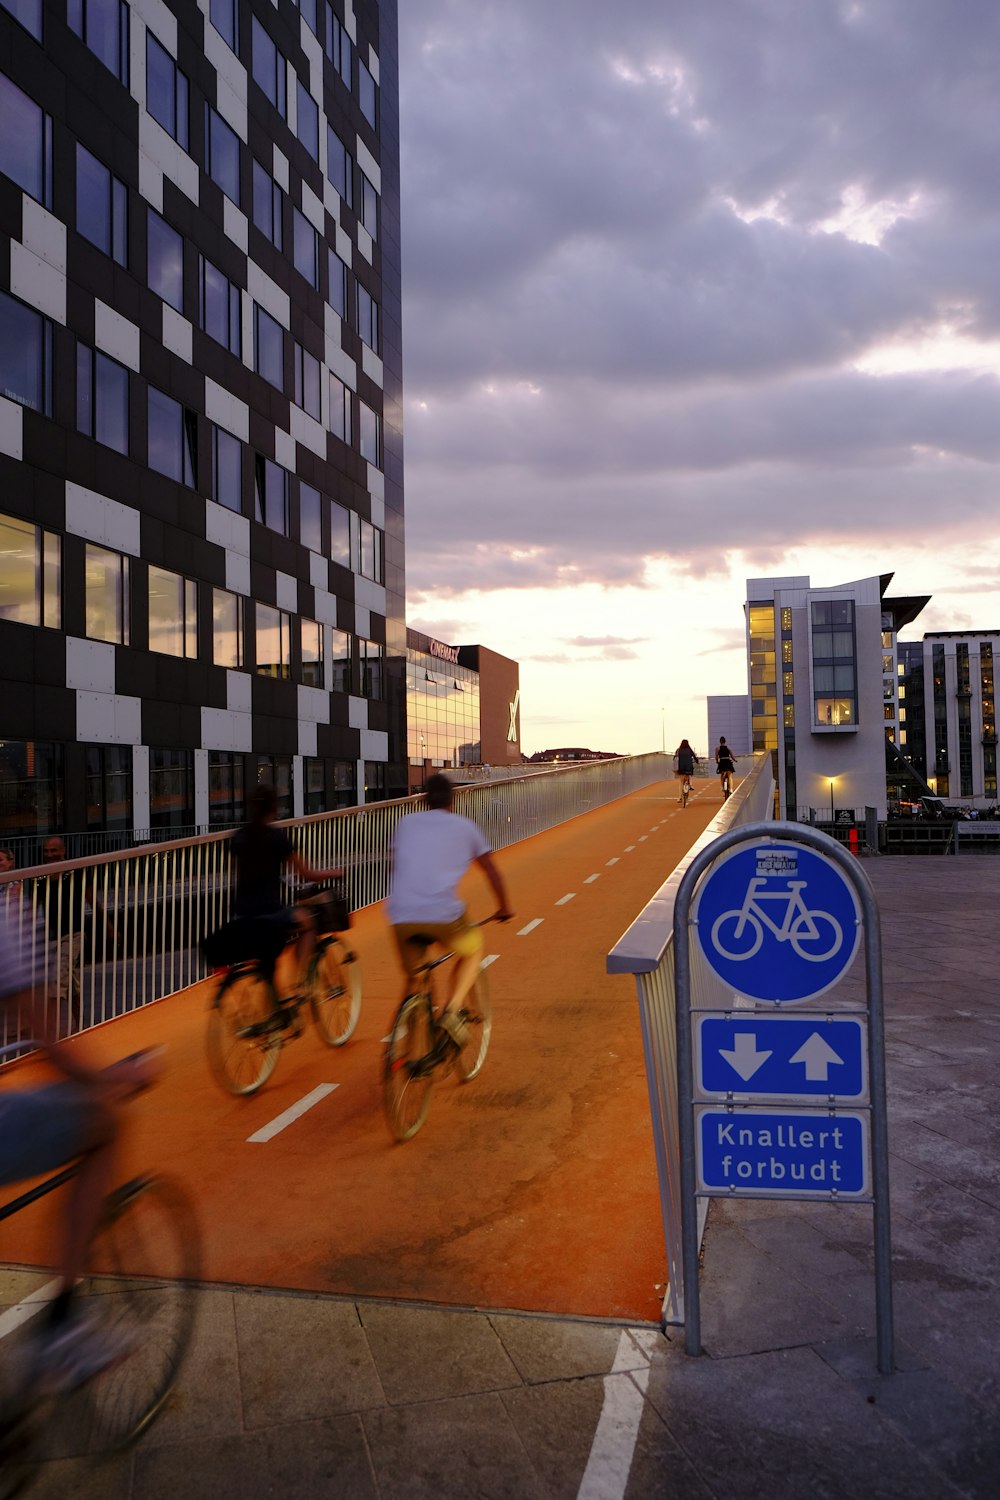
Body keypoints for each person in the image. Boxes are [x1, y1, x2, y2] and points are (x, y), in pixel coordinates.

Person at [0, 901, 153, 1388]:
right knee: (103, 1122)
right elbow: (49, 1043)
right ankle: (62, 1330)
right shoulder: (9, 916)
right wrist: (116, 1074)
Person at [386, 774, 512, 1041]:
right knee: (473, 949)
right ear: (453, 798)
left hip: (400, 914)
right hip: (442, 914)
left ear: (423, 799)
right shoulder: (465, 827)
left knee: (416, 979)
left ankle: (404, 1053)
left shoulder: (405, 823)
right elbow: (492, 872)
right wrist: (504, 907)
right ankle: (453, 1013)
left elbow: (396, 867)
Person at [228, 784, 344, 985]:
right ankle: (301, 982)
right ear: (273, 808)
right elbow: (307, 873)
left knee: (268, 970)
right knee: (307, 923)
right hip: (269, 913)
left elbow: (241, 874)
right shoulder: (277, 838)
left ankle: (272, 1006)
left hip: (243, 914)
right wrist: (335, 872)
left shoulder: (239, 836)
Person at [35, 836, 113, 1028]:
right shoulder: (40, 876)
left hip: (73, 934)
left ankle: (51, 1031)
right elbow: (34, 906)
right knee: (72, 985)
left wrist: (109, 927)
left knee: (58, 978)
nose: (49, 855)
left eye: (53, 851)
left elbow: (93, 901)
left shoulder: (76, 873)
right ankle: (79, 1027)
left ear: (63, 851)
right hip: (53, 937)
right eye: (46, 851)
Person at [673, 739, 698, 803]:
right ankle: (690, 785)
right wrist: (697, 761)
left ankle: (680, 798)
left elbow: (674, 758)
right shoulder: (689, 750)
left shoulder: (678, 750)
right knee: (690, 773)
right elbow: (694, 757)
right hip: (688, 768)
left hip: (681, 768)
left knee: (681, 783)